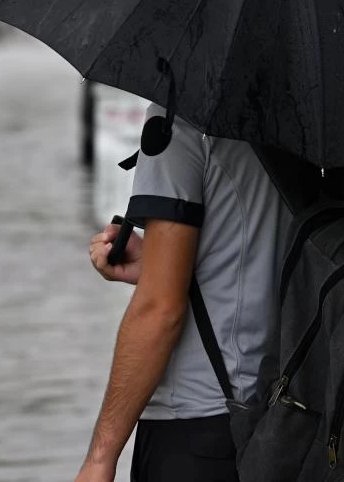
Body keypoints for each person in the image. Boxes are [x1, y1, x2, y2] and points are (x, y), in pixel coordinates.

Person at [74, 106, 295, 482]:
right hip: (288, 419)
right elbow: (270, 259)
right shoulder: (306, 120)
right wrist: (157, 265)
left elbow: (159, 311)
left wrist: (100, 457)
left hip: (195, 429)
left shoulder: (178, 119)